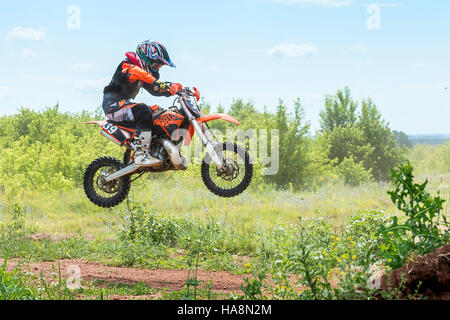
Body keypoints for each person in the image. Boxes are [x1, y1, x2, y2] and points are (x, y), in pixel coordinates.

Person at [102, 40, 182, 167]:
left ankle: (155, 148)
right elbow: (150, 80)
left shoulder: (142, 73)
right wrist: (167, 86)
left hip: (124, 105)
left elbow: (155, 90)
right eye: (156, 65)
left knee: (160, 112)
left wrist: (180, 89)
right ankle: (141, 155)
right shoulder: (128, 66)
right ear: (146, 59)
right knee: (143, 110)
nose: (156, 69)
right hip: (113, 106)